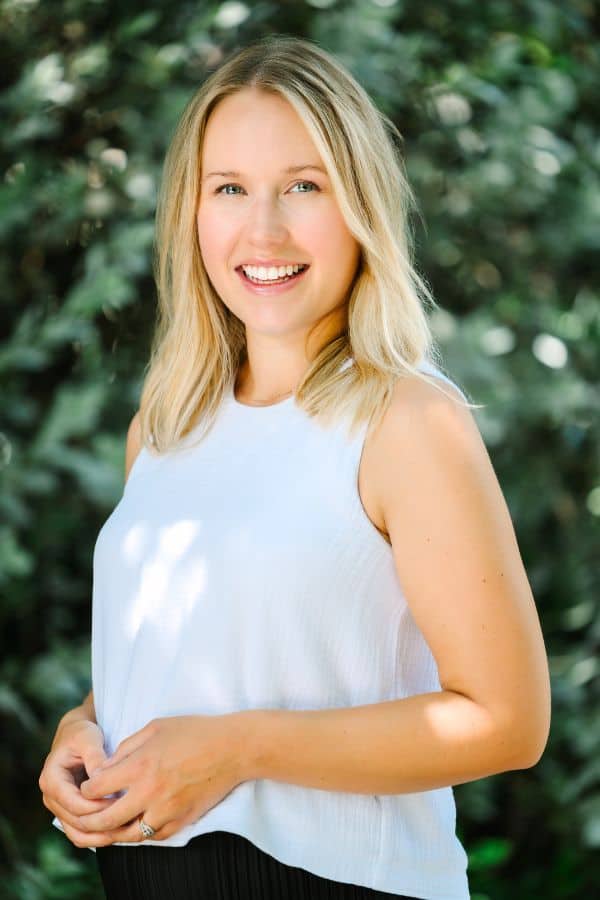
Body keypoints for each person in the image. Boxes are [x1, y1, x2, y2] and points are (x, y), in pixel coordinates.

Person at [38, 34, 551, 900]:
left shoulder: (408, 420)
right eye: (229, 188)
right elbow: (195, 658)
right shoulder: (162, 432)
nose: (262, 228)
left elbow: (507, 722)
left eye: (303, 187)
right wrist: (84, 730)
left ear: (360, 210)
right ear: (191, 213)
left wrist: (241, 748)